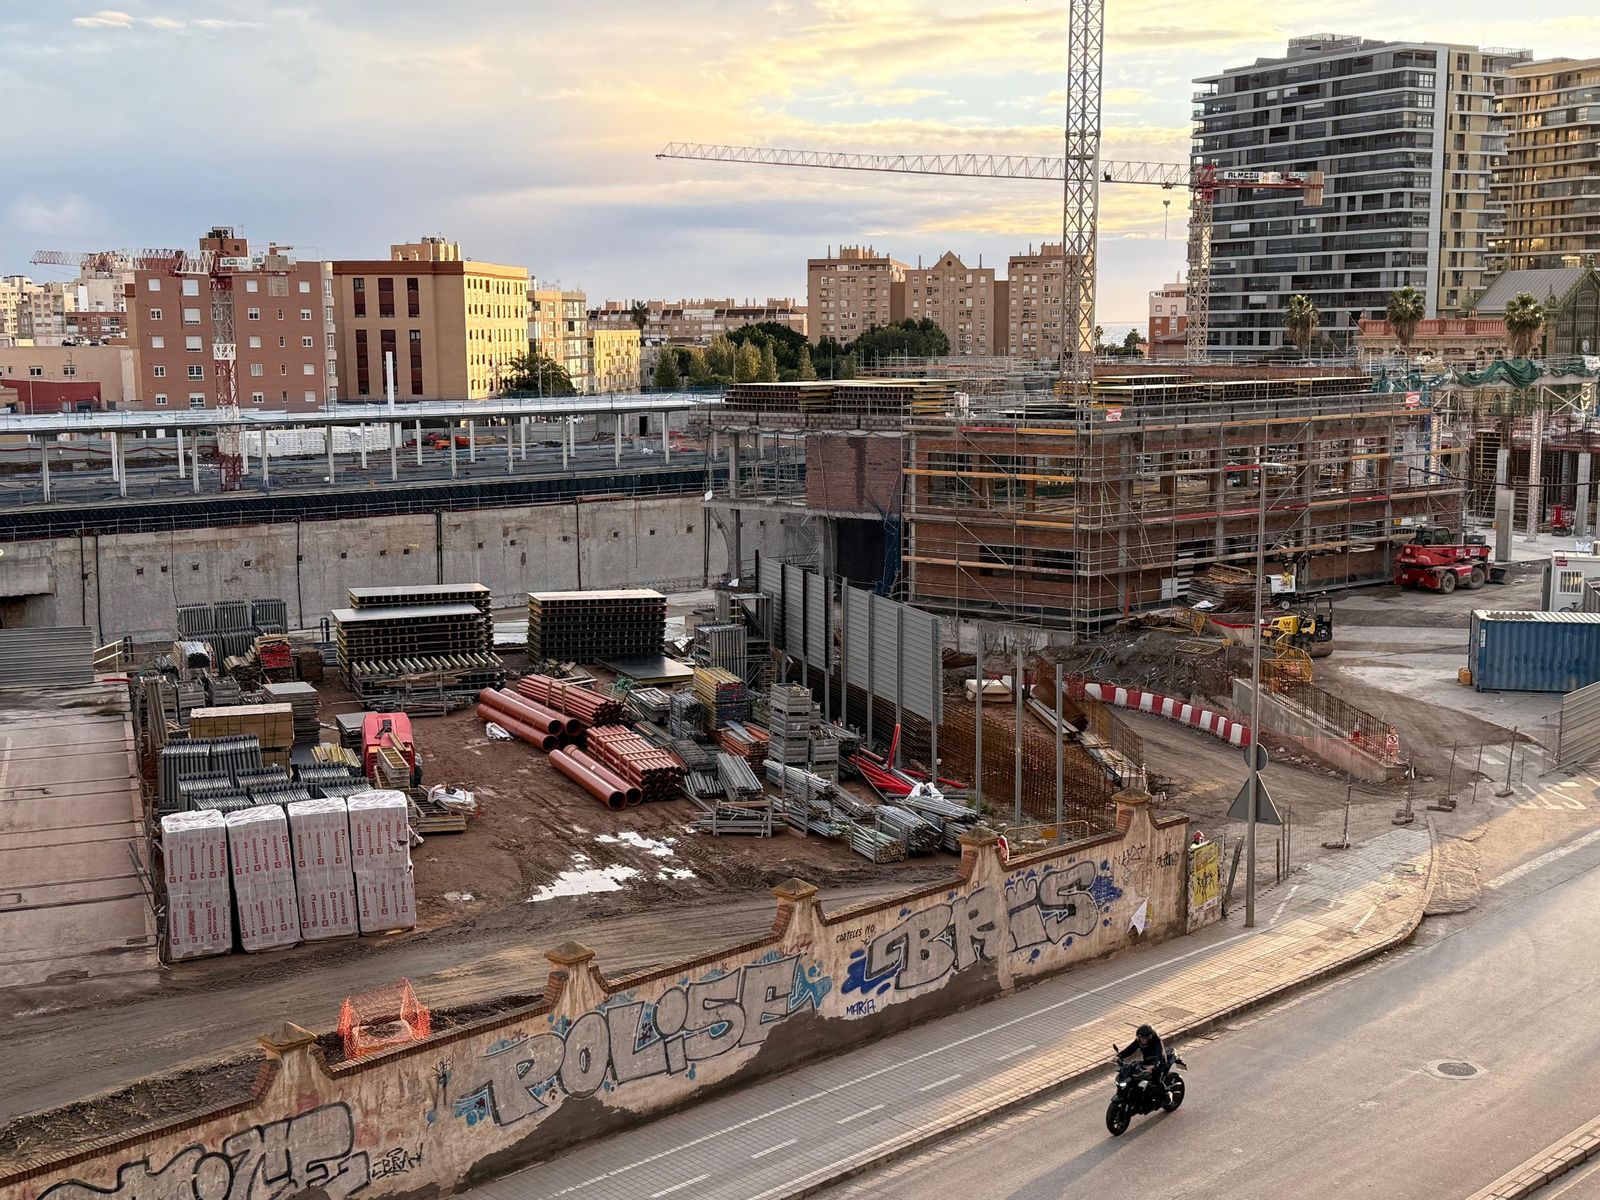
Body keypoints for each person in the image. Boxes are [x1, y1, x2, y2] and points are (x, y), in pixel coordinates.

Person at [1118, 1024, 1169, 1103]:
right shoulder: (1139, 1040)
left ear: (1150, 1037)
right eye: (1140, 1038)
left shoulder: (1157, 1041)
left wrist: (1154, 1066)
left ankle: (1166, 1094)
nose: (1142, 1041)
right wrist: (1120, 1056)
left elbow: (1160, 1055)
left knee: (1156, 1080)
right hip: (1147, 1062)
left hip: (1159, 1063)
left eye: (1144, 1039)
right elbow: (1131, 1049)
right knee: (1134, 1071)